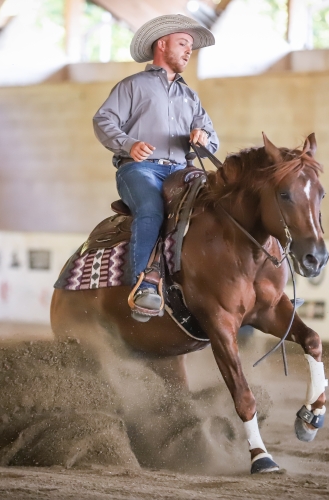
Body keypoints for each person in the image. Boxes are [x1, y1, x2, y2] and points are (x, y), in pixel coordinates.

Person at [93, 15, 219, 322]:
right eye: (183, 44)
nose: (189, 51)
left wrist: (202, 140)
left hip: (181, 171)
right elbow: (103, 120)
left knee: (217, 207)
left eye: (191, 46)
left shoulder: (191, 97)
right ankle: (145, 284)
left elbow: (211, 141)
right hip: (140, 170)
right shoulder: (133, 86)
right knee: (150, 208)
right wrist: (128, 144)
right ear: (161, 44)